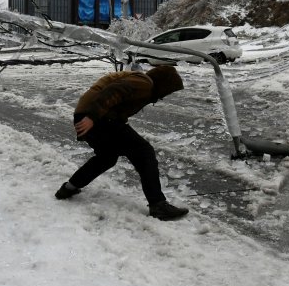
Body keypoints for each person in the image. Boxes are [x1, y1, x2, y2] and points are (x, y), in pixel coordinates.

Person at [54, 65, 189, 221]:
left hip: (90, 116)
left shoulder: (141, 81)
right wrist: (92, 117)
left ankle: (68, 188)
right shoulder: (145, 83)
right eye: (168, 91)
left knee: (106, 157)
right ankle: (158, 205)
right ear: (163, 84)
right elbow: (113, 91)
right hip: (96, 117)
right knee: (144, 152)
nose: (163, 97)